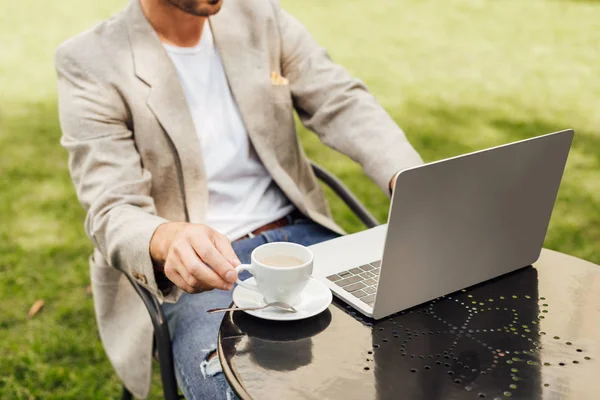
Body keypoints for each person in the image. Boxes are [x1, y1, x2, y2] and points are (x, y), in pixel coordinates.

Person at [55, 0, 423, 398]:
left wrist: (408, 176)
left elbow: (341, 100)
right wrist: (167, 239)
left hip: (305, 242)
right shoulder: (89, 61)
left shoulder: (261, 16)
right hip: (198, 277)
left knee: (407, 352)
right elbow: (111, 208)